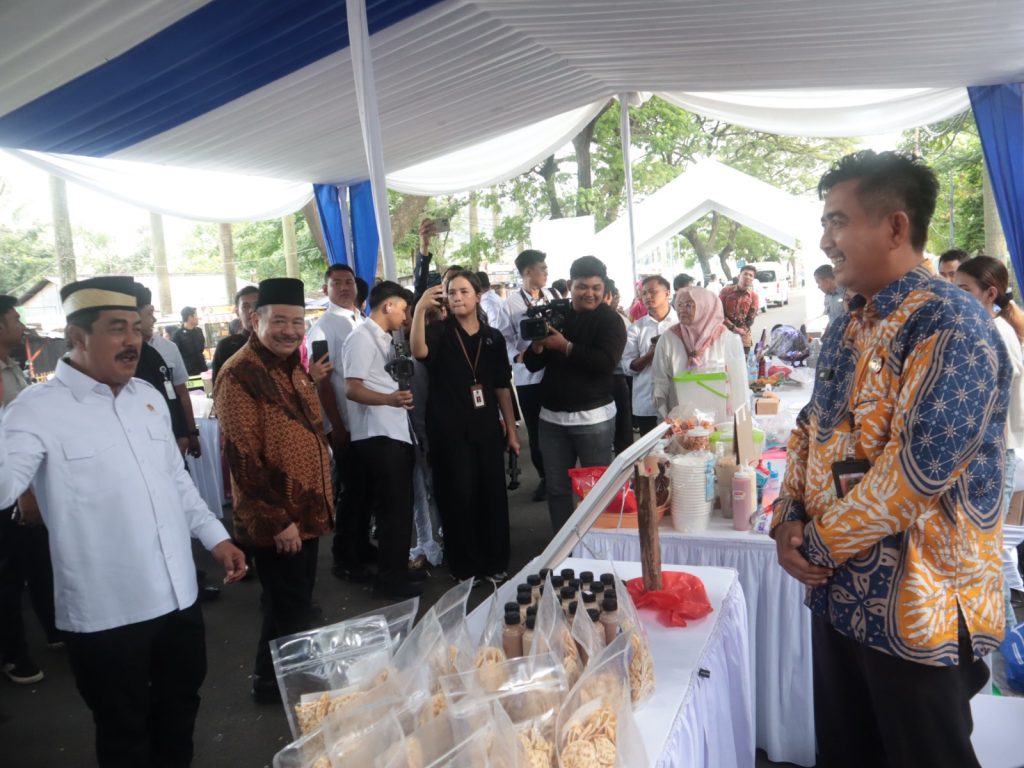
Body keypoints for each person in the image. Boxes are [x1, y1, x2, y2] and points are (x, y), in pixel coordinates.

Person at [772, 151, 1008, 768]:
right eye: (825, 223)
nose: (826, 241)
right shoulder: (849, 322)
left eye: (838, 221)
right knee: (846, 753)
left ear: (896, 227)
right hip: (840, 596)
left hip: (920, 608)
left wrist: (813, 545)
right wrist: (786, 515)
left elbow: (918, 472)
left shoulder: (950, 321)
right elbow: (810, 427)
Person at [0, 276, 246, 766]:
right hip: (107, 614)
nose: (133, 339)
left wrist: (216, 538)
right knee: (124, 734)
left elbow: (176, 482)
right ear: (76, 336)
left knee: (179, 713)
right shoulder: (36, 411)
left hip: (178, 598)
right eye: (117, 328)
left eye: (136, 327)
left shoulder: (146, 398)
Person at [215, 277, 333, 704]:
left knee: (288, 602)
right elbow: (242, 458)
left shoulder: (292, 366)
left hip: (306, 512)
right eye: (279, 320)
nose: (290, 330)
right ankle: (302, 692)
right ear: (255, 319)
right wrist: (278, 520)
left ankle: (268, 681)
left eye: (297, 322)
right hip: (278, 518)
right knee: (291, 606)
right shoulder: (239, 374)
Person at [411, 272, 519, 583]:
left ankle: (494, 561)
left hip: (486, 427)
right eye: (451, 292)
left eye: (464, 291)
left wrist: (512, 431)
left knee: (492, 494)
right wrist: (420, 309)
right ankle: (465, 567)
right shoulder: (438, 332)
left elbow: (501, 386)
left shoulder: (492, 337)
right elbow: (418, 352)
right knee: (457, 495)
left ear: (477, 295)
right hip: (448, 429)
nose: (457, 297)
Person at [524, 256, 626, 533]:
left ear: (604, 289)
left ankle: (599, 543)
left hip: (594, 419)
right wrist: (538, 346)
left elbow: (605, 363)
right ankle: (563, 546)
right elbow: (532, 365)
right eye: (582, 286)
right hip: (551, 419)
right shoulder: (555, 315)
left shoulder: (611, 320)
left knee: (596, 488)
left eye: (596, 287)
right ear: (570, 285)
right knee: (557, 488)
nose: (589, 293)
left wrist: (565, 346)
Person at [342, 281, 424, 599]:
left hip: (393, 431)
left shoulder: (384, 338)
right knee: (392, 511)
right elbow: (352, 388)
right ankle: (390, 581)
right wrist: (389, 399)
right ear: (388, 305)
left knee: (399, 509)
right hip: (378, 434)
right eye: (403, 309)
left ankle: (396, 572)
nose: (405, 316)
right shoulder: (361, 338)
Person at [955, 255, 1024, 622]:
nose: (956, 296)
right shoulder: (986, 327)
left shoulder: (996, 332)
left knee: (988, 555)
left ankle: (1008, 637)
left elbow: (991, 399)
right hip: (990, 452)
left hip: (998, 453)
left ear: (990, 293)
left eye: (964, 289)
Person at [0, 295, 57, 686]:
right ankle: (13, 653)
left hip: (29, 482)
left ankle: (54, 628)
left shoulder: (11, 366)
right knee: (8, 573)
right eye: (15, 318)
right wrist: (23, 492)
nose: (21, 325)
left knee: (38, 560)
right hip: (10, 489)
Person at [304, 265, 369, 582]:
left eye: (349, 282)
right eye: (337, 283)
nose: (344, 288)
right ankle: (344, 557)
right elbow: (322, 381)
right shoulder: (322, 328)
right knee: (350, 491)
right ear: (325, 289)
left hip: (369, 420)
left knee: (366, 489)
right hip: (345, 423)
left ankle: (362, 546)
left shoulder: (363, 320)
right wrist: (336, 427)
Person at [501, 249, 560, 502]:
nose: (546, 273)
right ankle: (545, 477)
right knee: (536, 429)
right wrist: (517, 356)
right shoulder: (511, 304)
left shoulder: (552, 296)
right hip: (528, 376)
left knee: (558, 425)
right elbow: (504, 337)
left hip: (554, 370)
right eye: (542, 268)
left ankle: (561, 473)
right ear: (527, 271)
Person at [651, 286, 747, 419]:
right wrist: (665, 416)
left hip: (721, 419)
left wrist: (740, 422)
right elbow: (659, 381)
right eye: (679, 305)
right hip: (682, 421)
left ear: (705, 307)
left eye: (688, 305)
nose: (682, 310)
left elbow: (739, 385)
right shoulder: (668, 339)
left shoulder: (726, 338)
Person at [623, 275, 678, 435]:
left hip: (678, 401)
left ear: (667, 293)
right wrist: (650, 355)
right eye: (644, 293)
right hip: (647, 403)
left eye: (653, 292)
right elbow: (627, 366)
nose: (647, 297)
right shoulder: (636, 328)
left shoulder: (680, 324)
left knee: (680, 446)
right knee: (651, 448)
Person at [604, 278, 634, 454]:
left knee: (622, 427)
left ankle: (624, 460)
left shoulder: (621, 320)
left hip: (618, 377)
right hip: (603, 380)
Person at [211, 286, 259, 384]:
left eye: (256, 305)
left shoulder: (275, 343)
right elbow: (217, 385)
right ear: (237, 312)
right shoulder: (225, 346)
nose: (251, 310)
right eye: (245, 306)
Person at [719, 264, 760, 354]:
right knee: (726, 361)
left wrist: (740, 331)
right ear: (739, 276)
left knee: (743, 361)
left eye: (751, 275)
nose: (748, 277)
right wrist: (733, 328)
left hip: (743, 336)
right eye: (745, 274)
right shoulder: (726, 291)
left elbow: (750, 320)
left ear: (753, 279)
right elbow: (718, 313)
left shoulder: (754, 296)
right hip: (725, 333)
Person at [173, 306, 207, 376]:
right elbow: (175, 355)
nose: (197, 318)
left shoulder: (199, 331)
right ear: (190, 317)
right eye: (196, 315)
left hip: (203, 369)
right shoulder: (178, 334)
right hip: (188, 372)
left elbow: (202, 348)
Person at [813, 263, 846, 328]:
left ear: (827, 281)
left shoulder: (846, 295)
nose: (818, 286)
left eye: (818, 282)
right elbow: (831, 318)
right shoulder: (827, 297)